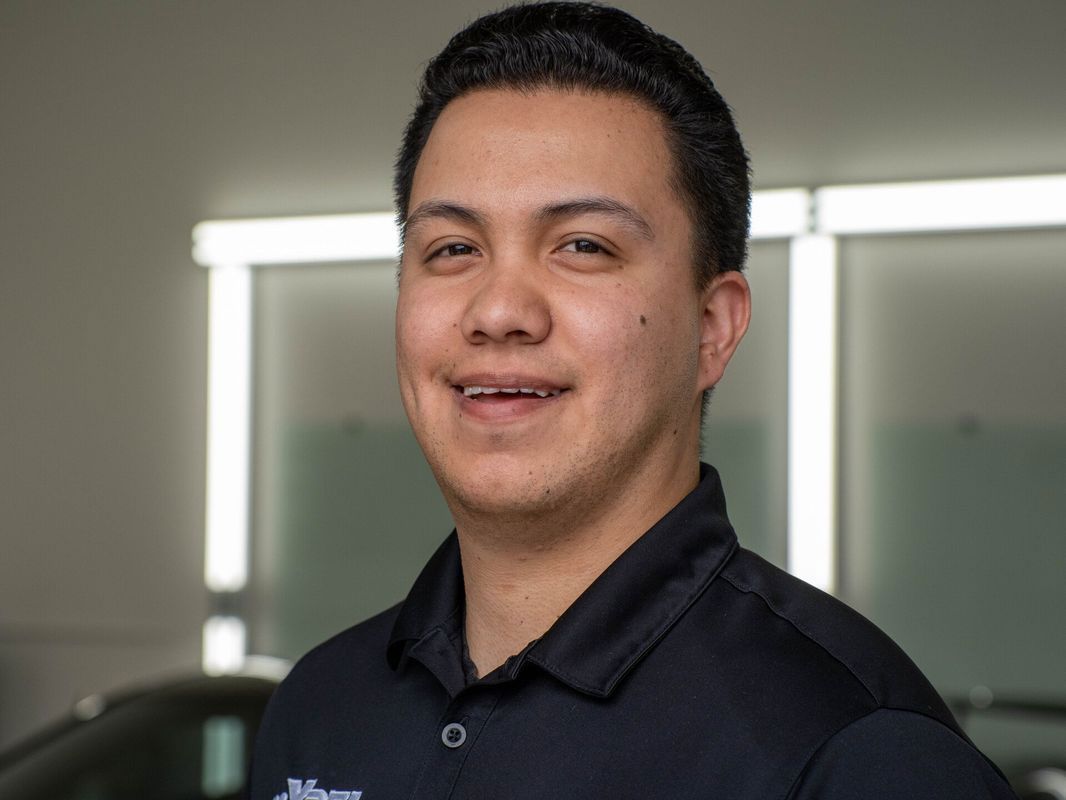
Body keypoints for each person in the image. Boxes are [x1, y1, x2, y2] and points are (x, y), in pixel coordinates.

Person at [250, 4, 1017, 798]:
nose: (498, 309)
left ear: (712, 329)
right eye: (453, 249)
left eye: (583, 245)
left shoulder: (856, 755)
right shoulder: (318, 708)